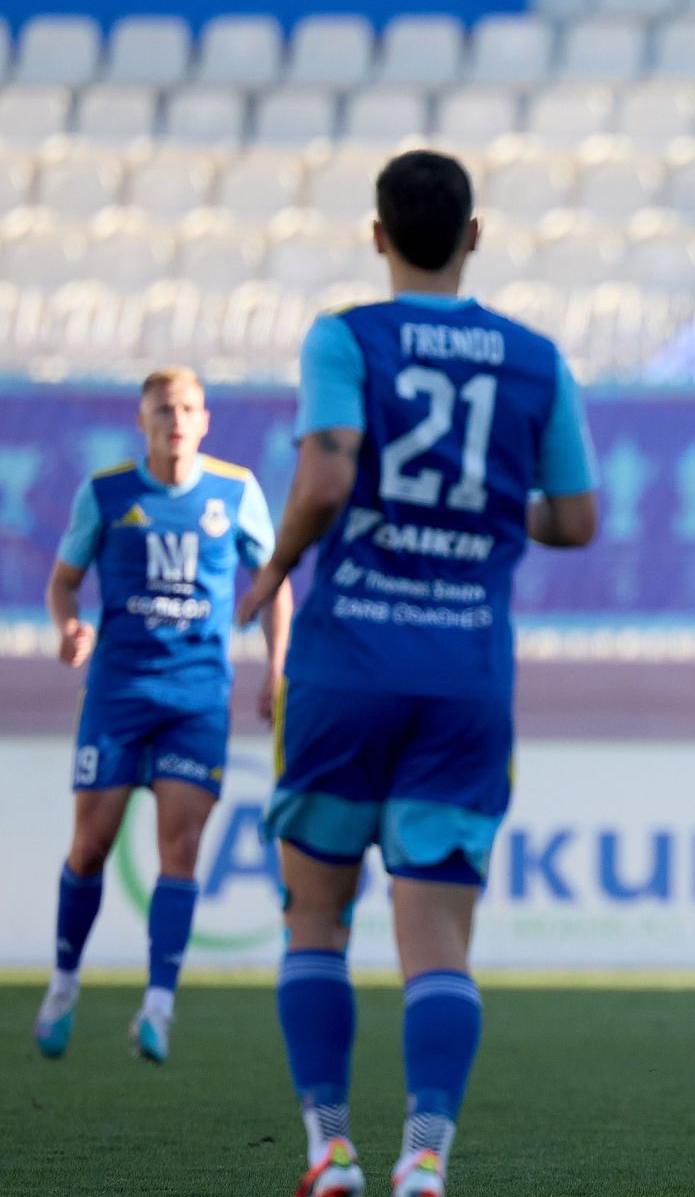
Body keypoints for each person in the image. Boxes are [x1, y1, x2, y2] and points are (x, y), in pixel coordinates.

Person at [234, 149, 599, 1197]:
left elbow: (329, 467)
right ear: (474, 235)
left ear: (378, 235)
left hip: (345, 666)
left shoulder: (345, 337)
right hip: (463, 678)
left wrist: (274, 568)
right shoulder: (535, 358)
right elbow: (575, 518)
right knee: (436, 933)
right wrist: (483, 513)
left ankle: (330, 1148)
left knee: (317, 917)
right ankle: (426, 1157)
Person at [33, 366, 291, 1065]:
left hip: (195, 699)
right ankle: (63, 984)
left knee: (180, 848)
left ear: (205, 421)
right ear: (141, 421)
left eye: (187, 408)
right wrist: (69, 627)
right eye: (162, 410)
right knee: (91, 845)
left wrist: (277, 666)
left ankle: (158, 1006)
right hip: (118, 695)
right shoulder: (108, 494)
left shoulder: (235, 492)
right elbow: (64, 581)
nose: (175, 420)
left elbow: (274, 583)